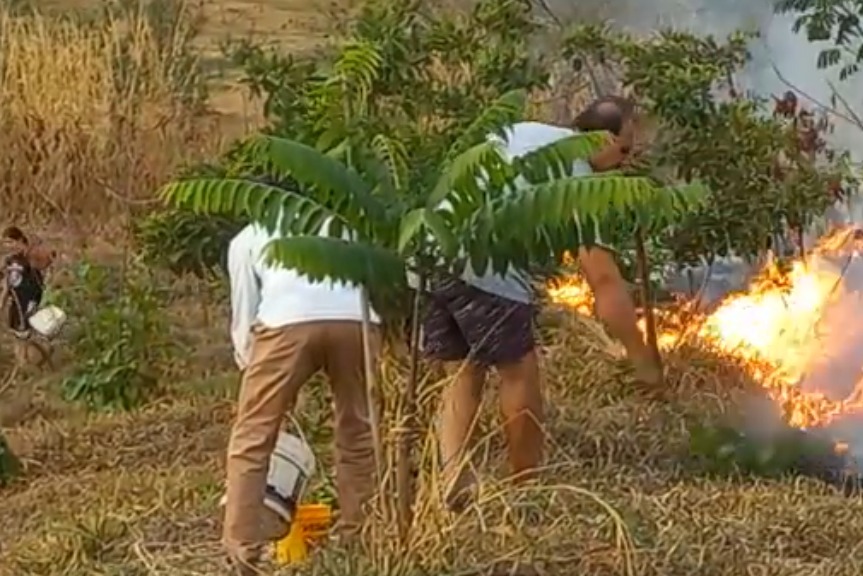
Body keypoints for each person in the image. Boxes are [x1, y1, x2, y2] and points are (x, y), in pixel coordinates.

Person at [424, 95, 665, 511]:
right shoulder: (577, 175)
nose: (625, 163)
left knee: (463, 372)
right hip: (487, 267)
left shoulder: (526, 131)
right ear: (602, 139)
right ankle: (527, 490)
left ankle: (451, 485)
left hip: (431, 249)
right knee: (520, 373)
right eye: (624, 149)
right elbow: (603, 280)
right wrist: (641, 358)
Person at [223, 217, 381, 575]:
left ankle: (242, 549)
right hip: (355, 320)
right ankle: (360, 536)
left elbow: (245, 316)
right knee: (358, 430)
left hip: (284, 323)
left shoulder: (248, 236)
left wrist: (253, 369)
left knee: (252, 435)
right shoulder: (347, 225)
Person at [0, 226, 55, 369]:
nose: (9, 247)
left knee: (25, 333)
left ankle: (28, 361)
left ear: (19, 240)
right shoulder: (10, 260)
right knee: (16, 333)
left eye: (11, 242)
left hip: (29, 300)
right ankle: (21, 362)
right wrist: (2, 301)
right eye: (5, 244)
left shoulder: (31, 257)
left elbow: (48, 260)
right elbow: (7, 283)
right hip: (16, 301)